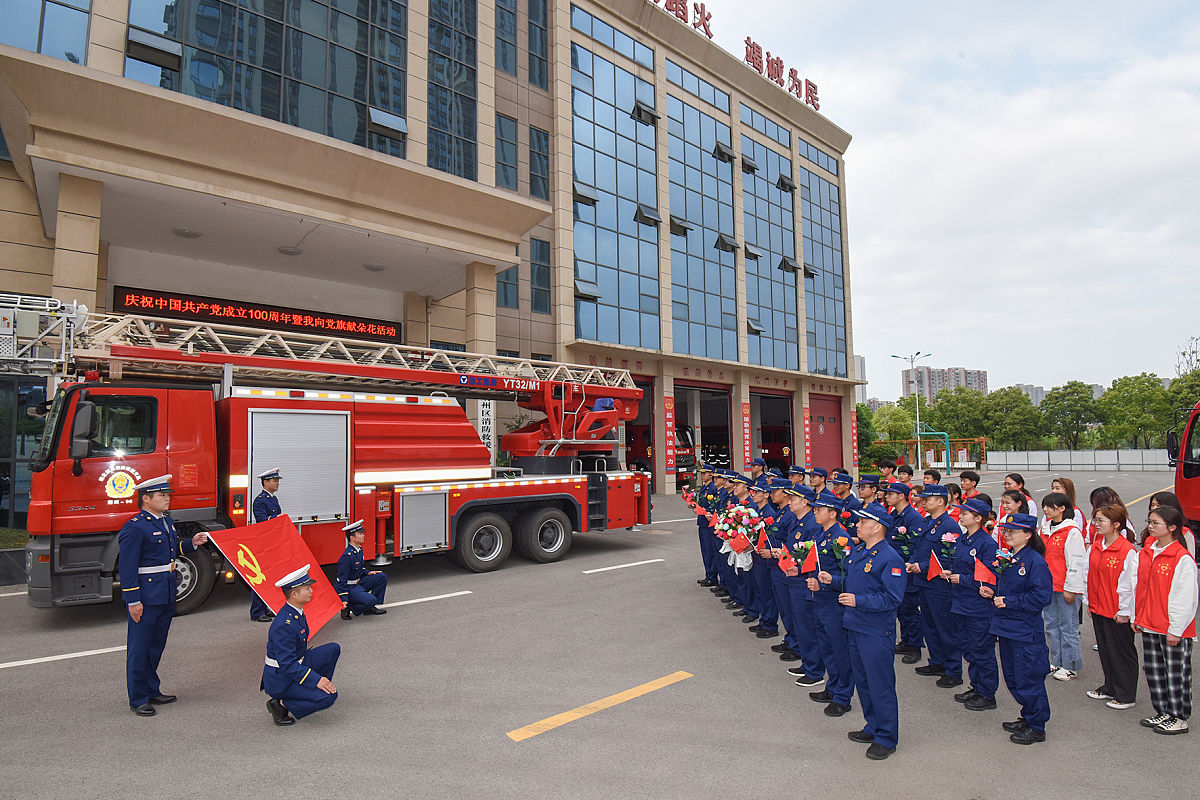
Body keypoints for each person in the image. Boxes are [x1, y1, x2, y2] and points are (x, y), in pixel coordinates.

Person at [118, 475, 210, 716]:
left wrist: (192, 543)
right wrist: (133, 601)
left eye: (168, 495)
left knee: (155, 646)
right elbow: (127, 568)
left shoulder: (164, 522)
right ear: (146, 499)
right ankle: (138, 698)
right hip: (147, 597)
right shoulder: (135, 527)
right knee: (140, 648)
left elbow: (170, 551)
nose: (167, 498)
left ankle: (151, 690)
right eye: (162, 495)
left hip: (165, 593)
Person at [840, 501, 905, 760]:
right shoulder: (860, 551)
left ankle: (887, 737)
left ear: (877, 527)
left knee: (880, 684)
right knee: (864, 682)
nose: (857, 525)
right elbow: (853, 582)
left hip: (875, 631)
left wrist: (859, 601)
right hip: (855, 625)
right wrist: (831, 582)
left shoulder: (891, 558)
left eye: (862, 522)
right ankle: (873, 725)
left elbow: (892, 598)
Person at [980, 513, 1053, 744]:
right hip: (1007, 627)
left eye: (1013, 531)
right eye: (1006, 530)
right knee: (1013, 677)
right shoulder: (1011, 556)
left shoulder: (1034, 561)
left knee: (1028, 677)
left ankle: (1037, 725)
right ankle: (1028, 715)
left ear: (1028, 535)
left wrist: (1010, 602)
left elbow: (1042, 596)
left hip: (1024, 630)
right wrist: (994, 594)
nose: (1007, 534)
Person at [1133, 505, 1198, 735]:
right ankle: (1162, 711)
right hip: (1150, 623)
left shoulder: (1181, 558)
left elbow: (1185, 597)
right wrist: (1138, 616)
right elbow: (1140, 587)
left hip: (1171, 628)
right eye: (1149, 522)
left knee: (1175, 674)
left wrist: (1176, 629)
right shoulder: (1148, 550)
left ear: (1172, 528)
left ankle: (1179, 716)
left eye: (1155, 523)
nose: (1150, 526)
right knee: (1154, 671)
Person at [263, 564, 341, 725]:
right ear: (294, 593)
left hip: (296, 663)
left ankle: (313, 689)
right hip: (281, 678)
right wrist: (315, 680)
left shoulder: (295, 612)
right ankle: (281, 704)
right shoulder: (284, 624)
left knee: (333, 649)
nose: (311, 590)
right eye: (307, 588)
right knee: (329, 698)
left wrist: (318, 679)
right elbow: (287, 665)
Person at [906, 484, 964, 688]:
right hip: (923, 582)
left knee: (945, 627)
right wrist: (912, 562)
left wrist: (920, 566)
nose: (923, 501)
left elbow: (949, 558)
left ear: (941, 501)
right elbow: (918, 548)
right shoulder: (925, 522)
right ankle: (937, 662)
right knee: (929, 625)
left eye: (928, 499)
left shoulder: (950, 526)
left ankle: (953, 670)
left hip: (939, 584)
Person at [804, 491, 856, 718]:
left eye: (819, 509)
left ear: (832, 514)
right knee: (826, 648)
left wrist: (825, 584)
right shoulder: (821, 533)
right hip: (820, 601)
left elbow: (849, 577)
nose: (815, 512)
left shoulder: (840, 538)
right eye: (814, 509)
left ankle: (843, 697)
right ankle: (832, 686)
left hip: (834, 602)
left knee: (839, 651)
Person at [945, 497, 1000, 710]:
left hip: (977, 605)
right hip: (961, 603)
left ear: (978, 518)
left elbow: (990, 576)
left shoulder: (987, 543)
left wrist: (963, 579)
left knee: (982, 650)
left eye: (966, 513)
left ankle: (987, 693)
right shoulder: (963, 539)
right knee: (968, 648)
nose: (961, 515)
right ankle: (976, 686)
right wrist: (951, 573)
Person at [1083, 504, 1139, 710]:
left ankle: (1126, 694)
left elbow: (1130, 585)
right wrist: (1089, 602)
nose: (1096, 524)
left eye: (1101, 521)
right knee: (1106, 650)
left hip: (1117, 611)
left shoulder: (1127, 550)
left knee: (1121, 652)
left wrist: (1125, 611)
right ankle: (1111, 686)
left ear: (1116, 525)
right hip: (1099, 607)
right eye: (1095, 520)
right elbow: (1088, 575)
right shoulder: (1097, 545)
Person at [781, 485, 827, 682]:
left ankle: (815, 670)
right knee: (800, 625)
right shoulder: (798, 521)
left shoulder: (811, 525)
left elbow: (811, 557)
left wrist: (798, 568)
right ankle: (808, 663)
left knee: (808, 626)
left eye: (793, 499)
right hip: (794, 578)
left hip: (804, 581)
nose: (789, 502)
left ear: (805, 502)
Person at [1040, 492, 1086, 681]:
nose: (1045, 509)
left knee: (1068, 626)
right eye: (1045, 506)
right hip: (1049, 586)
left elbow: (1076, 562)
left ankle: (1071, 664)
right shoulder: (1045, 528)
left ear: (1062, 509)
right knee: (1051, 625)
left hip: (1065, 587)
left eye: (1050, 506)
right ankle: (1057, 660)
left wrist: (1071, 588)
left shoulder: (1071, 531)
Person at [885, 483, 925, 665]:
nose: (886, 496)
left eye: (891, 493)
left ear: (902, 496)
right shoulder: (894, 515)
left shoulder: (913, 517)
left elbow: (916, 545)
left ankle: (915, 646)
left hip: (907, 569)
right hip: (895, 569)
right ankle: (906, 641)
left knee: (909, 610)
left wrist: (910, 563)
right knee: (901, 609)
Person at [746, 478, 780, 639]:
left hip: (766, 558)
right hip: (757, 556)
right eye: (753, 492)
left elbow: (770, 538)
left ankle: (770, 624)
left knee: (767, 592)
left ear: (766, 495)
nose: (753, 495)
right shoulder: (758, 511)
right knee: (760, 589)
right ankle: (764, 620)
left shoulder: (769, 514)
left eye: (757, 492)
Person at [250, 467, 284, 622]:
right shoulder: (260, 500)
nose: (277, 483)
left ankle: (266, 607)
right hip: (264, 544)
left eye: (277, 480)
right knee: (261, 578)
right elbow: (261, 520)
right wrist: (278, 517)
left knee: (272, 577)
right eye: (274, 480)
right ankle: (257, 612)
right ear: (265, 482)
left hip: (273, 543)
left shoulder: (272, 499)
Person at [336, 520, 388, 619]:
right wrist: (344, 599)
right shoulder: (347, 556)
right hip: (349, 587)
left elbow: (359, 568)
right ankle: (350, 607)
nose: (363, 535)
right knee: (371, 600)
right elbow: (341, 580)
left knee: (381, 577)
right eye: (360, 533)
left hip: (358, 583)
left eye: (362, 533)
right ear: (352, 538)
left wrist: (368, 573)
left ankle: (369, 608)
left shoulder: (359, 550)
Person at [1145, 492, 1197, 557]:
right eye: (1152, 505)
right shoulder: (1151, 533)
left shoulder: (1185, 533)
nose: (1154, 508)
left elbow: (1189, 558)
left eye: (1158, 505)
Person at [693, 464, 720, 588]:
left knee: (710, 551)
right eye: (701, 473)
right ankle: (708, 574)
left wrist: (705, 511)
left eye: (705, 473)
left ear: (711, 474)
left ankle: (712, 576)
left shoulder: (713, 488)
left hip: (709, 523)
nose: (702, 475)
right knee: (705, 550)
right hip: (702, 521)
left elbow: (714, 506)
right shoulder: (704, 488)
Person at [1050, 477, 1089, 543]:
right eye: (1052, 488)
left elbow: (1077, 535)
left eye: (1057, 488)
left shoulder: (1075, 512)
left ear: (1067, 491)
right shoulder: (1049, 510)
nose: (1053, 491)